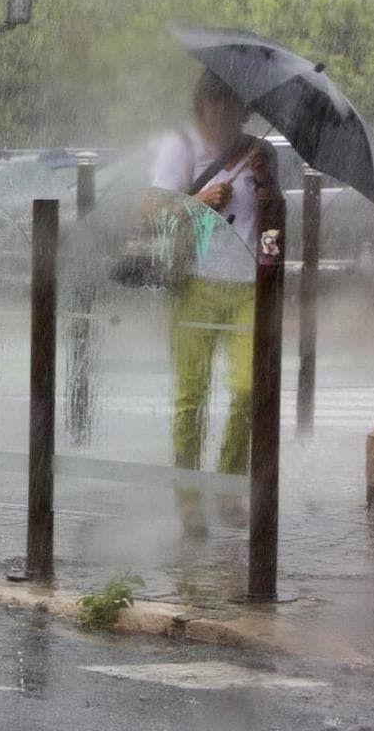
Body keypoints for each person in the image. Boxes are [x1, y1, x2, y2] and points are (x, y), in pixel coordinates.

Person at [149, 70, 276, 525]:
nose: (229, 116)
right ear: (205, 102)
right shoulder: (179, 148)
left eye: (238, 108)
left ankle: (226, 487)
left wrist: (265, 185)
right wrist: (197, 201)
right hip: (194, 283)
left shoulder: (258, 153)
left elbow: (274, 223)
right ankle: (187, 495)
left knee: (245, 390)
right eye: (222, 104)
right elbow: (151, 214)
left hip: (245, 287)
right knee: (192, 396)